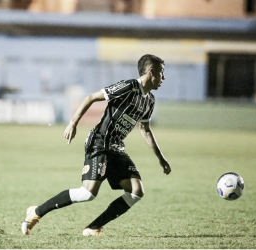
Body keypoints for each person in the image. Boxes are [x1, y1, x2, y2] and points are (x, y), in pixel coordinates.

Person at [21, 54, 171, 236]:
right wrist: (73, 123)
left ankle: (93, 227)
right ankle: (36, 212)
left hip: (117, 147)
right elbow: (92, 97)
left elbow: (145, 130)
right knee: (88, 193)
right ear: (151, 71)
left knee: (136, 191)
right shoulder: (128, 86)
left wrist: (161, 159)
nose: (164, 77)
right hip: (99, 141)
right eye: (162, 73)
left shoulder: (149, 101)